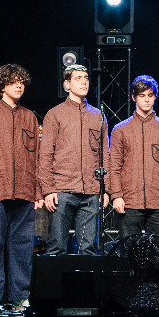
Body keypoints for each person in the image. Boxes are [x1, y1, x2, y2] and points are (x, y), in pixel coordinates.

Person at [0, 63, 42, 312]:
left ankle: (19, 299)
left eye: (21, 82)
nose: (19, 86)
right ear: (1, 86)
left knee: (22, 248)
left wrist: (38, 192)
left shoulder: (30, 117)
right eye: (13, 82)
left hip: (25, 192)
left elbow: (37, 158)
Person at [38, 64, 110, 255]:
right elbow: (45, 154)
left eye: (86, 78)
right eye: (78, 78)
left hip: (91, 192)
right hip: (62, 190)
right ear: (67, 84)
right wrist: (48, 190)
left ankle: (85, 278)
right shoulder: (55, 114)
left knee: (88, 249)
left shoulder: (98, 116)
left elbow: (104, 154)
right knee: (56, 248)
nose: (84, 82)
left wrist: (105, 189)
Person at [108, 74, 159, 240]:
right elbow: (114, 167)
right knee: (129, 249)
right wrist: (117, 196)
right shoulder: (120, 130)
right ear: (134, 97)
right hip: (129, 202)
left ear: (155, 96)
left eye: (150, 95)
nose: (146, 100)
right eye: (142, 95)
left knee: (157, 250)